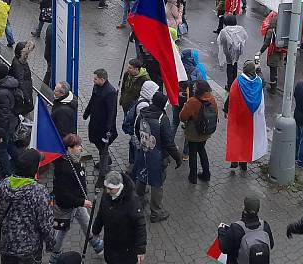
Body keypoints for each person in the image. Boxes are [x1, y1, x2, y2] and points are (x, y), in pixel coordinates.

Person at [0, 148, 56, 264]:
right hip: (29, 250)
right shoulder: (38, 191)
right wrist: (50, 244)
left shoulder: (5, 184)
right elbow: (45, 224)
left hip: (6, 245)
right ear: (34, 168)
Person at [52, 134, 104, 256]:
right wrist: (81, 202)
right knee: (62, 231)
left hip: (78, 203)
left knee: (86, 222)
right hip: (67, 207)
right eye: (78, 146)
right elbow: (63, 195)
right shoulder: (63, 168)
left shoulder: (74, 160)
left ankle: (96, 244)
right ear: (69, 149)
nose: (81, 148)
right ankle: (55, 255)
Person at [133, 90, 181, 221]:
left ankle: (138, 202)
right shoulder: (162, 119)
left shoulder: (142, 114)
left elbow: (137, 131)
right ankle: (156, 212)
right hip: (158, 156)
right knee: (157, 182)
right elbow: (169, 142)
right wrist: (177, 158)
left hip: (144, 152)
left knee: (142, 175)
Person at [91, 170, 147, 264]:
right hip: (110, 242)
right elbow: (101, 214)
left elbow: (140, 225)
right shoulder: (107, 195)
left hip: (127, 246)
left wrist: (141, 249)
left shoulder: (132, 200)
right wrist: (95, 230)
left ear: (119, 187)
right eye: (106, 188)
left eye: (110, 189)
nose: (107, 191)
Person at [226, 61, 267, 171]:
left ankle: (234, 161)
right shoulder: (258, 82)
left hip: (239, 117)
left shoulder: (237, 82)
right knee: (246, 140)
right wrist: (259, 70)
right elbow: (263, 84)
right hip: (251, 118)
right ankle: (243, 163)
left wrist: (226, 110)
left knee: (236, 138)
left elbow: (231, 97)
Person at [178, 79, 218, 183]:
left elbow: (182, 117)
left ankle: (193, 177)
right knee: (202, 150)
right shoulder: (212, 99)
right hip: (206, 131)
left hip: (193, 132)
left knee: (193, 153)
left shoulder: (193, 101)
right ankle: (206, 174)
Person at [0, 62, 20, 188]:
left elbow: (3, 115)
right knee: (10, 146)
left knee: (1, 151)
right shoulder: (10, 85)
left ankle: (7, 177)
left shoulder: (1, 92)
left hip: (4, 127)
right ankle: (19, 164)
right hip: (11, 123)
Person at [83, 68, 118, 181]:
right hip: (95, 123)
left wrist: (109, 128)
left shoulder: (111, 92)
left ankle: (103, 174)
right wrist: (87, 112)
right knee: (99, 145)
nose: (93, 80)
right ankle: (107, 160)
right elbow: (92, 100)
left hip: (104, 127)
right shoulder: (97, 87)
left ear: (102, 79)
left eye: (95, 79)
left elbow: (112, 112)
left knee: (103, 149)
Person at [218, 195, 275, 264]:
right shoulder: (265, 226)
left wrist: (221, 231)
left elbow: (224, 249)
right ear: (258, 210)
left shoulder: (235, 228)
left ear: (244, 208)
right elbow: (271, 244)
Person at [218, 15, 248, 90]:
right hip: (237, 50)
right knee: (235, 65)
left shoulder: (224, 31)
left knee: (229, 66)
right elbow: (245, 37)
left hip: (228, 50)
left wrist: (226, 54)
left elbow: (222, 42)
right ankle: (234, 83)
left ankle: (230, 84)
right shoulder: (240, 29)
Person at [9, 42, 34, 116]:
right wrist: (27, 97)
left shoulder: (20, 60)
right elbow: (20, 81)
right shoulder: (18, 64)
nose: (28, 55)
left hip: (26, 88)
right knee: (27, 108)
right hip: (24, 92)